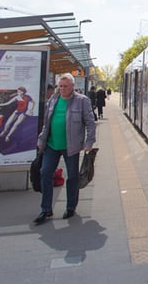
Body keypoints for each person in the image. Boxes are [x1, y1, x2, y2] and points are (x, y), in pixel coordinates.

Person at [34, 73, 97, 224]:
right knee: (45, 172)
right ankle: (46, 209)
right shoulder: (53, 99)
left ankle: (70, 207)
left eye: (65, 86)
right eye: (60, 86)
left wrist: (89, 142)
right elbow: (46, 122)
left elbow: (90, 122)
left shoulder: (82, 101)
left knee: (72, 176)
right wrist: (41, 139)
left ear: (72, 86)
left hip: (72, 146)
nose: (62, 89)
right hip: (51, 145)